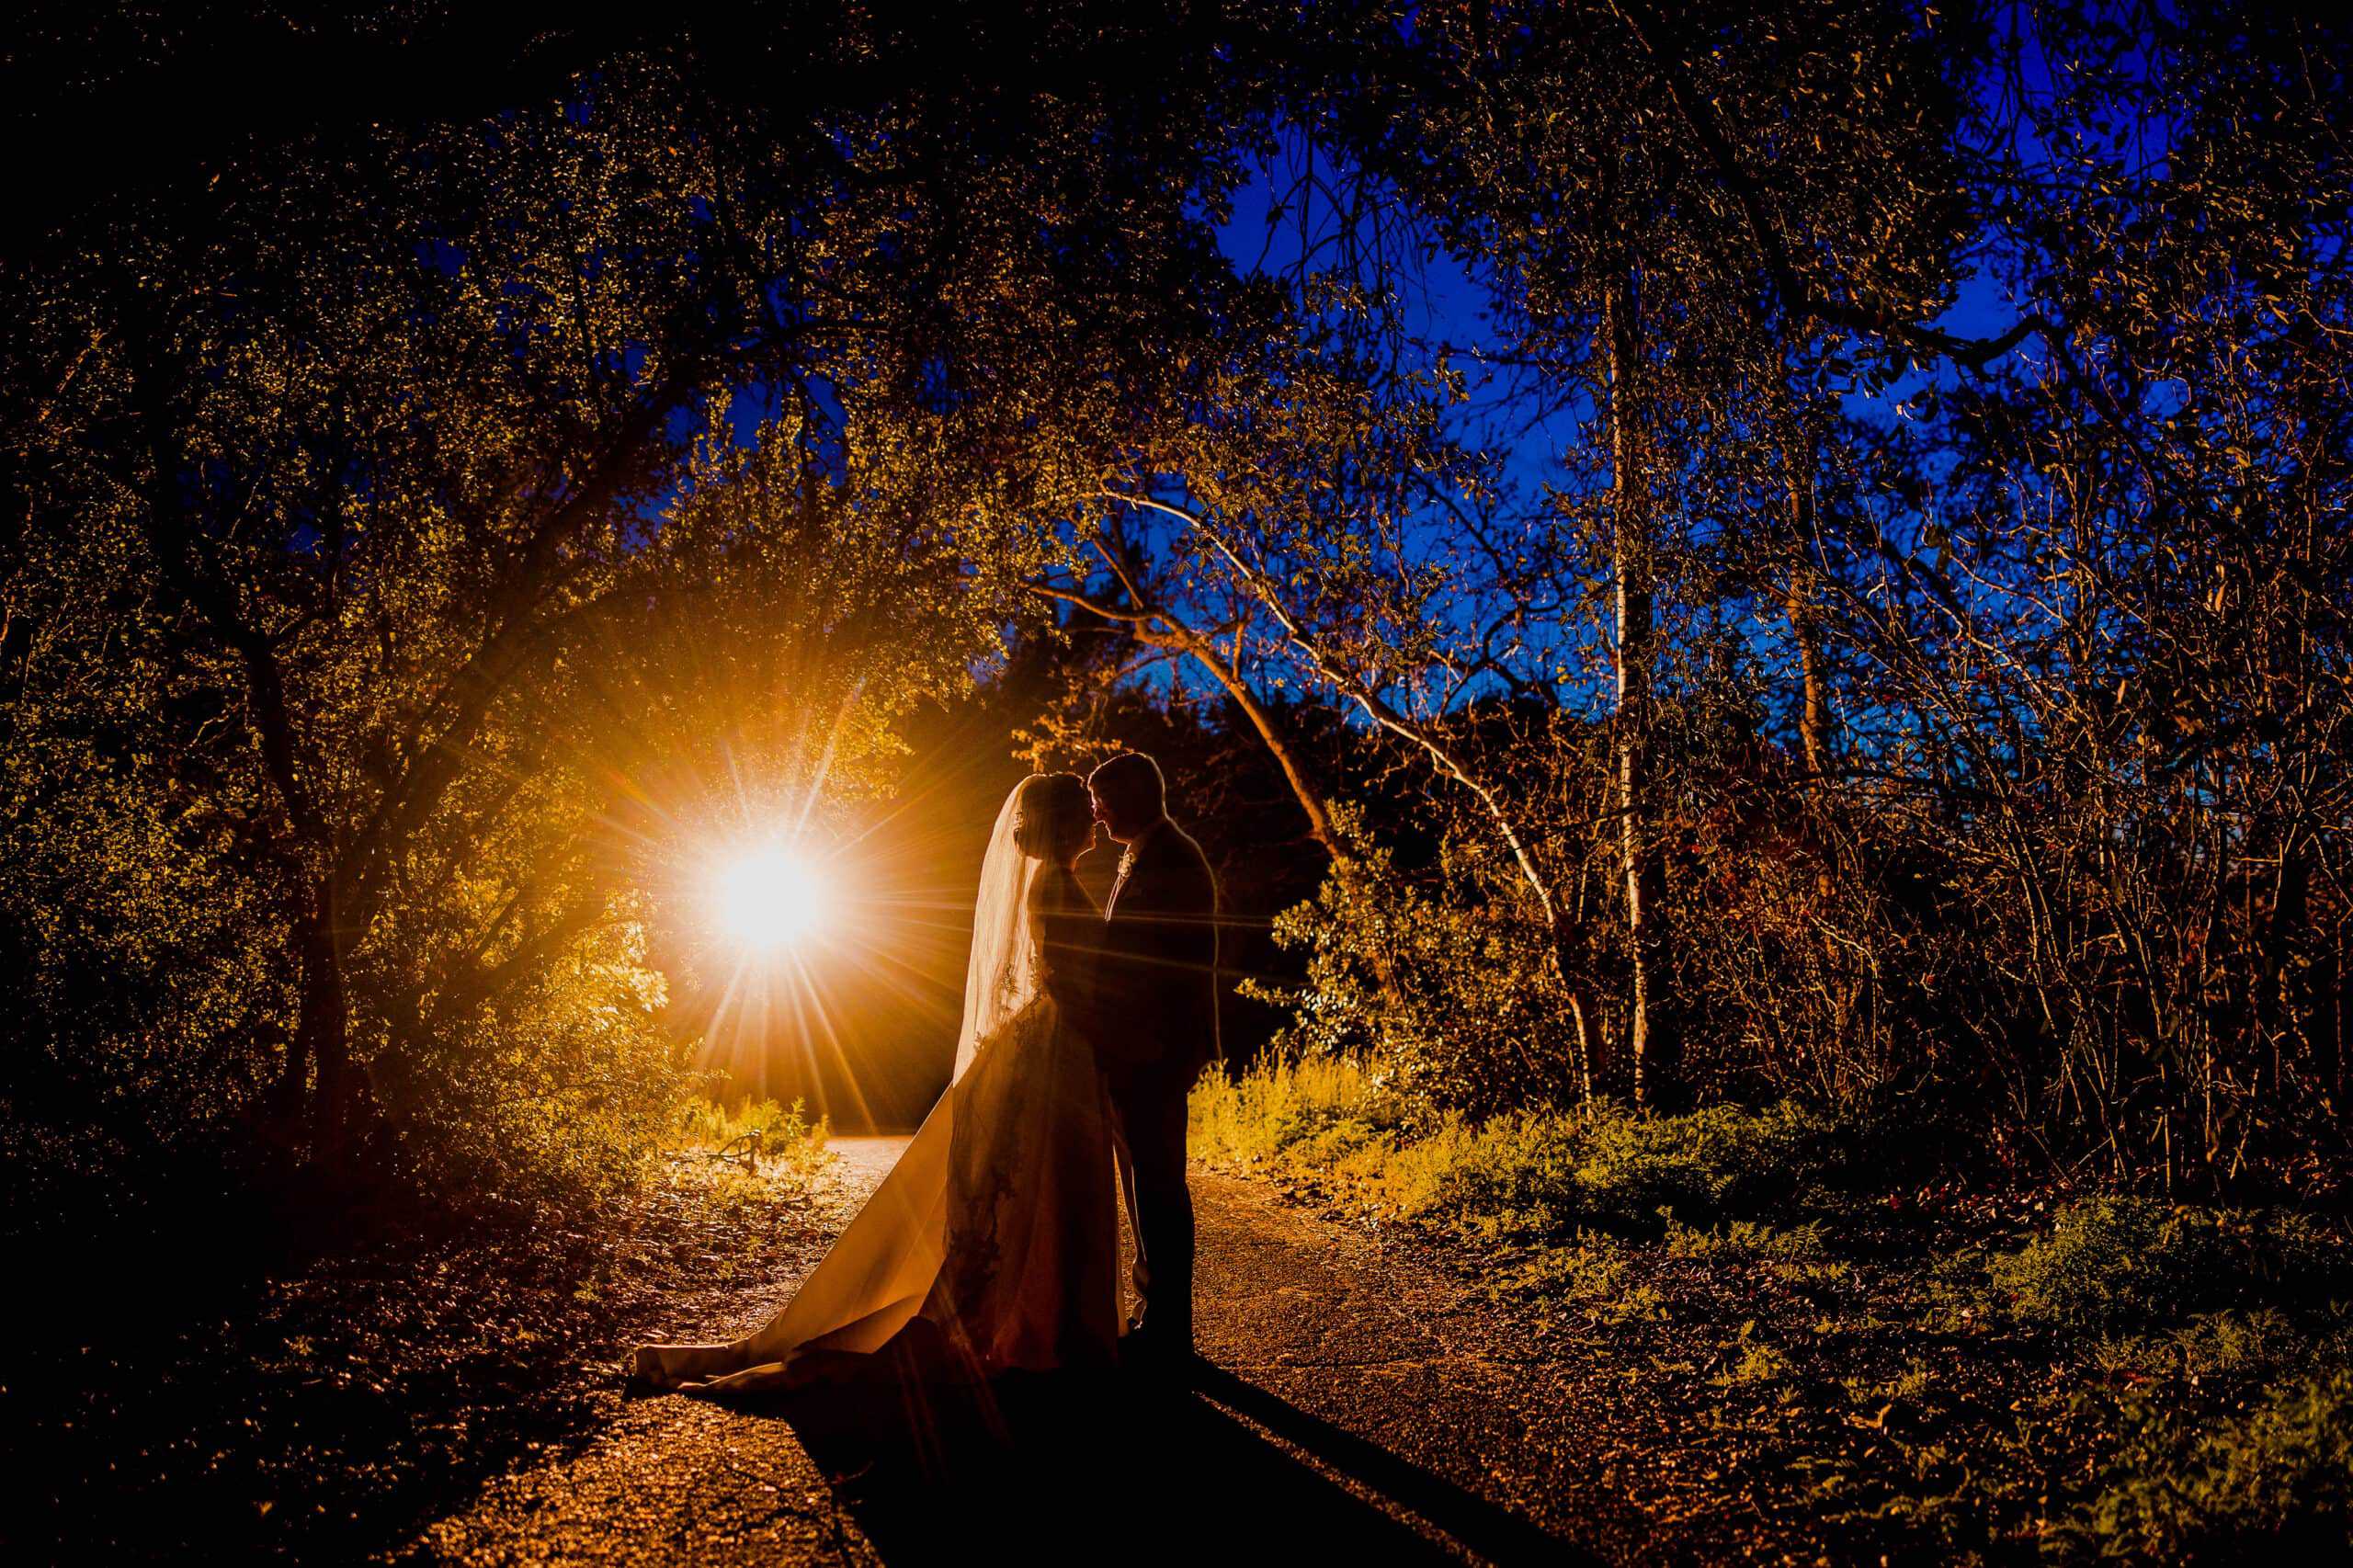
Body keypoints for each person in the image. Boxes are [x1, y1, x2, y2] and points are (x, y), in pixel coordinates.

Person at [631, 773, 1120, 1392]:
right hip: (1056, 1049)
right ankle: (1041, 1324)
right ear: (1064, 825)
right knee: (1038, 1188)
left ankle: (1045, 1319)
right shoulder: (1054, 886)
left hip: (1054, 1045)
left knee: (1038, 1192)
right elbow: (1070, 980)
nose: (1095, 823)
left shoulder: (1054, 882)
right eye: (1085, 813)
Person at [1085, 752, 1221, 1369]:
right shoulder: (1146, 851)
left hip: (1155, 1053)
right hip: (1137, 1051)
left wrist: (1170, 1050)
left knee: (1159, 1187)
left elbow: (1180, 966)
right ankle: (1158, 1320)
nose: (1097, 814)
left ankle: (1168, 1331)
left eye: (1104, 800)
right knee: (1146, 1186)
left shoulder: (1172, 858)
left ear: (1138, 795)